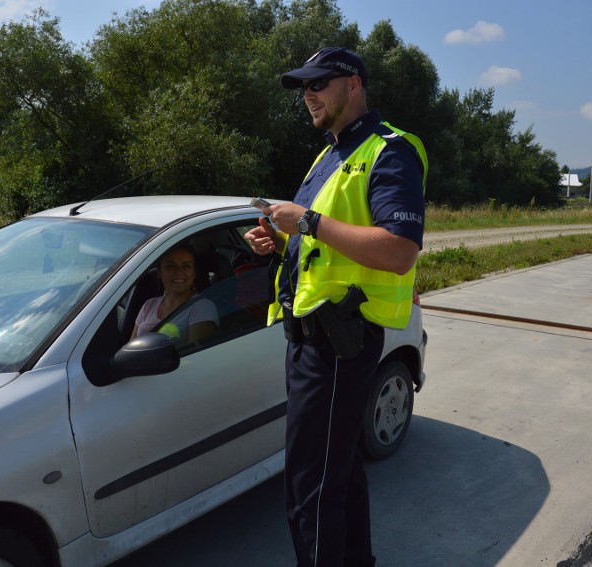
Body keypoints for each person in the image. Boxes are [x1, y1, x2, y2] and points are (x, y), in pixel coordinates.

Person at [245, 47, 427, 566]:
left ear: (352, 84)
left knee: (310, 490)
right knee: (339, 472)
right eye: (303, 87)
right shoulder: (330, 155)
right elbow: (326, 248)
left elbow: (398, 250)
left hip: (338, 346)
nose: (308, 95)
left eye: (317, 84)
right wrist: (280, 244)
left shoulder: (391, 150)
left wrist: (306, 222)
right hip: (308, 342)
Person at [131, 244, 219, 344]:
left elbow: (195, 356)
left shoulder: (202, 307)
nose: (179, 272)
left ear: (194, 273)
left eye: (186, 266)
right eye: (171, 266)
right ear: (159, 273)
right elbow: (130, 348)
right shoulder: (149, 305)